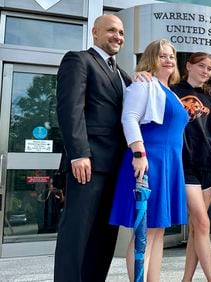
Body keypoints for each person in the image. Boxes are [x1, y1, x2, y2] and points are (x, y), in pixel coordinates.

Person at [54, 14, 132, 282]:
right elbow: (70, 110)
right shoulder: (79, 60)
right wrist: (78, 154)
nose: (118, 37)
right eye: (111, 30)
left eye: (121, 32)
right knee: (76, 236)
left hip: (116, 167)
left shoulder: (123, 75)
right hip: (88, 165)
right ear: (95, 33)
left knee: (104, 237)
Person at [109, 39, 188, 281]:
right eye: (162, 55)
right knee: (144, 230)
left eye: (172, 56)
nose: (168, 60)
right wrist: (139, 153)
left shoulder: (171, 92)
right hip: (149, 160)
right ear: (151, 59)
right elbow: (129, 118)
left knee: (158, 229)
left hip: (170, 164)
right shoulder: (143, 84)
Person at [170, 52, 211, 282]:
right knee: (203, 222)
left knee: (197, 228)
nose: (206, 71)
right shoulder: (173, 92)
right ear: (188, 66)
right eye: (201, 66)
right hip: (184, 164)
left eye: (210, 68)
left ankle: (186, 279)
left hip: (208, 166)